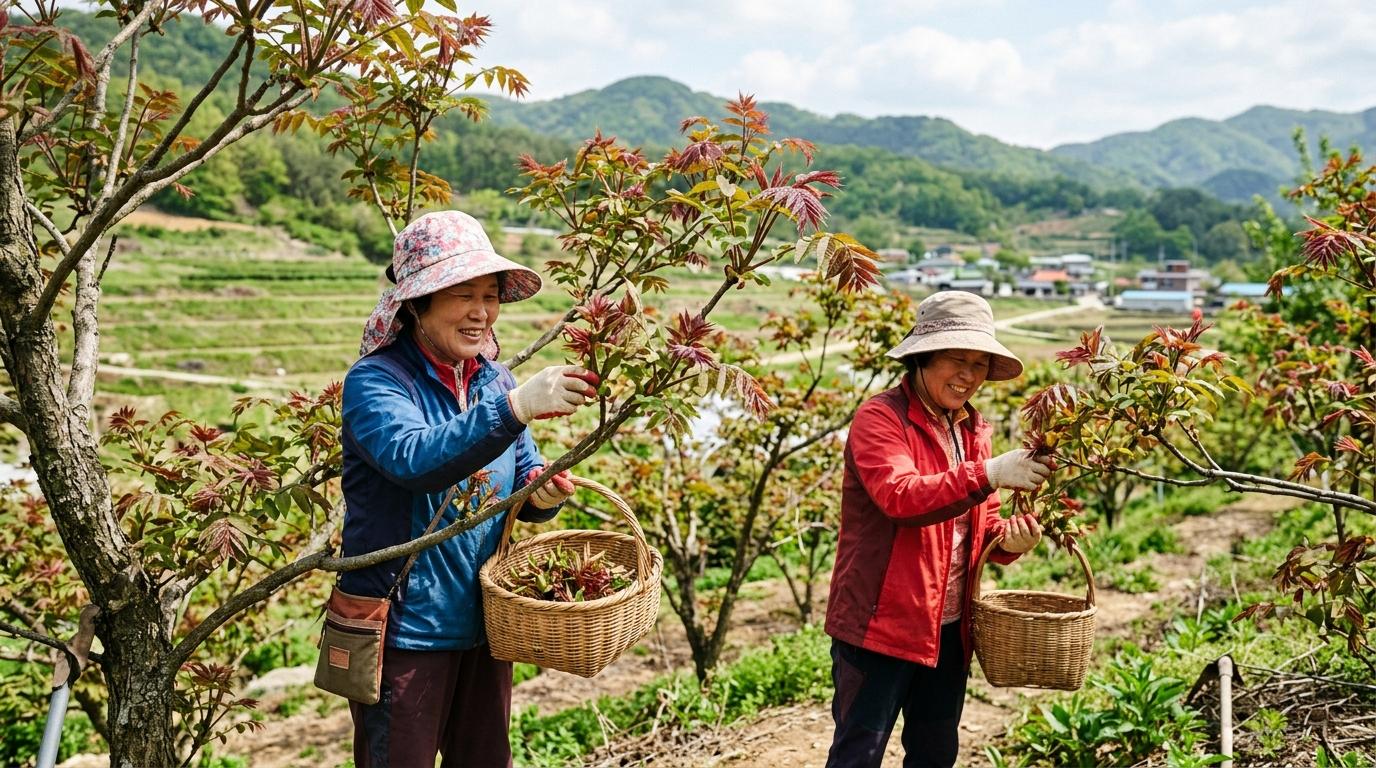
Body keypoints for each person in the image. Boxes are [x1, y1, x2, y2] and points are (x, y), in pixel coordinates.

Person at [340, 210, 598, 767]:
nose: (481, 312)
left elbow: (520, 479)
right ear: (417, 304)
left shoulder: (493, 378)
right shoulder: (377, 382)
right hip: (403, 632)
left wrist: (540, 494)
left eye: (490, 294)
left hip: (483, 624)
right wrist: (515, 409)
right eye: (463, 295)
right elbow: (411, 460)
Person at [824, 290, 1054, 768]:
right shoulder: (880, 419)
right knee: (858, 754)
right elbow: (900, 497)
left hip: (948, 628)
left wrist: (1009, 542)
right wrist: (989, 473)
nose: (969, 375)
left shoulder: (973, 429)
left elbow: (983, 526)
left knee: (935, 753)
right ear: (924, 358)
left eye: (979, 363)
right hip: (879, 625)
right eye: (957, 359)